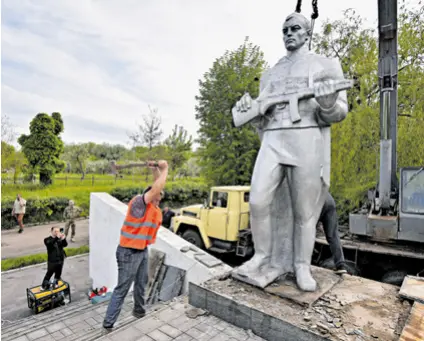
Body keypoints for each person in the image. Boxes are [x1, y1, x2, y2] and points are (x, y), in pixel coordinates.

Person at [232, 12, 349, 291]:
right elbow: (260, 117)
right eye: (284, 30)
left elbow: (340, 111)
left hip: (306, 138)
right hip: (273, 138)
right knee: (258, 200)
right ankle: (261, 256)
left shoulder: (326, 65)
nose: (288, 33)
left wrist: (329, 102)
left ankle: (301, 266)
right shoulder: (271, 72)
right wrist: (251, 109)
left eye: (295, 28)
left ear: (307, 33)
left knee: (305, 211)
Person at [103, 160, 169, 330]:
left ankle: (139, 312)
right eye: (157, 195)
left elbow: (157, 188)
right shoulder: (139, 204)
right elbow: (155, 189)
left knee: (141, 283)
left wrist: (156, 170)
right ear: (150, 195)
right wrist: (166, 169)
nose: (159, 197)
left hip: (141, 250)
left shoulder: (154, 208)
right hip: (128, 252)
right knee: (122, 288)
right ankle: (108, 323)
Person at [319, 193, 350, 274]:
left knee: (308, 234)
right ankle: (341, 265)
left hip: (318, 201)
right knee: (333, 235)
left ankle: (304, 265)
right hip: (330, 201)